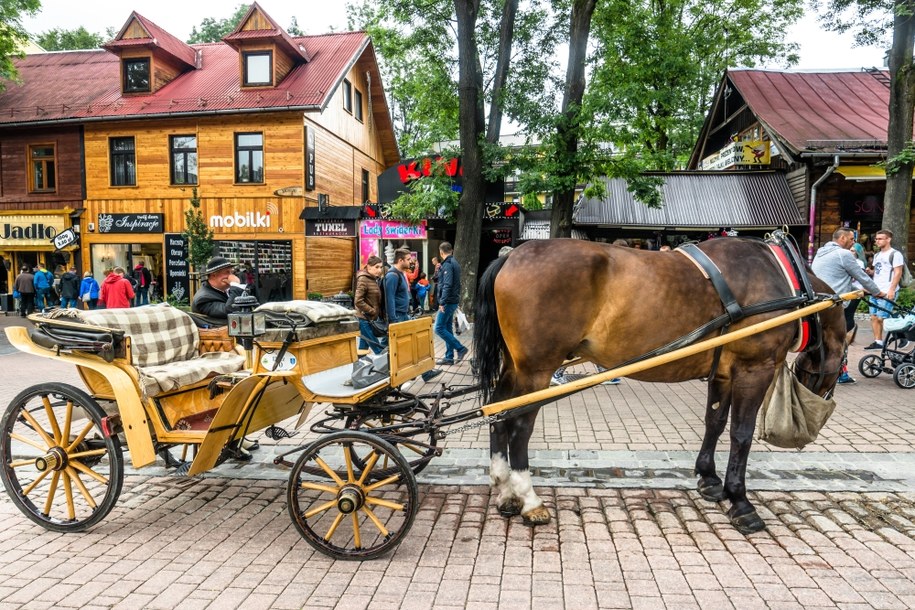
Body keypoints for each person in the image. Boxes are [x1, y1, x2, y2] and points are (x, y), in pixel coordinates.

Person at [811, 228, 885, 384]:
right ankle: (839, 373)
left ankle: (821, 369)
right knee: (840, 340)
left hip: (819, 302)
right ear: (842, 238)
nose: (854, 243)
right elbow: (862, 276)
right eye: (852, 239)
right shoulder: (843, 254)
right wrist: (877, 292)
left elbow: (833, 280)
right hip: (836, 305)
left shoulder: (821, 253)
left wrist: (860, 291)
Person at [386, 248, 441, 383]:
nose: (411, 262)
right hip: (398, 317)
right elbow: (389, 299)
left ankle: (425, 372)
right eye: (408, 259)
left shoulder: (400, 274)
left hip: (404, 315)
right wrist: (393, 320)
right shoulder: (392, 276)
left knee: (416, 342)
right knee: (397, 348)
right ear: (400, 260)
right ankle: (403, 375)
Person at [864, 229, 905, 351]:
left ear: (888, 239)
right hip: (876, 290)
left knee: (883, 318)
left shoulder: (895, 254)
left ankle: (903, 337)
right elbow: (878, 272)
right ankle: (878, 341)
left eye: (880, 238)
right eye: (876, 239)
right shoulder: (877, 255)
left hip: (887, 290)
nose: (877, 241)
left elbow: (898, 273)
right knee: (874, 317)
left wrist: (892, 290)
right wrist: (870, 272)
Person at [433, 242, 468, 366]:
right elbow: (442, 281)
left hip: (447, 301)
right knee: (447, 328)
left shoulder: (447, 265)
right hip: (452, 300)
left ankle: (460, 348)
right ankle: (449, 357)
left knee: (438, 328)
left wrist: (442, 301)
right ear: (451, 251)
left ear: (441, 252)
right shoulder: (454, 263)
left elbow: (447, 284)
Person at [191, 256, 247, 325]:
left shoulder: (225, 291)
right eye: (227, 272)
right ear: (213, 275)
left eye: (231, 272)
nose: (231, 276)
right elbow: (230, 311)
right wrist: (236, 286)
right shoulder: (203, 298)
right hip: (216, 334)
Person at [353, 256, 386, 355]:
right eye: (376, 267)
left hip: (369, 318)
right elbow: (358, 300)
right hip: (364, 318)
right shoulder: (363, 279)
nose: (379, 270)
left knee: (363, 348)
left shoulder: (373, 279)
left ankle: (359, 366)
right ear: (369, 267)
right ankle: (387, 368)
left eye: (380, 267)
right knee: (378, 348)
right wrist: (372, 311)